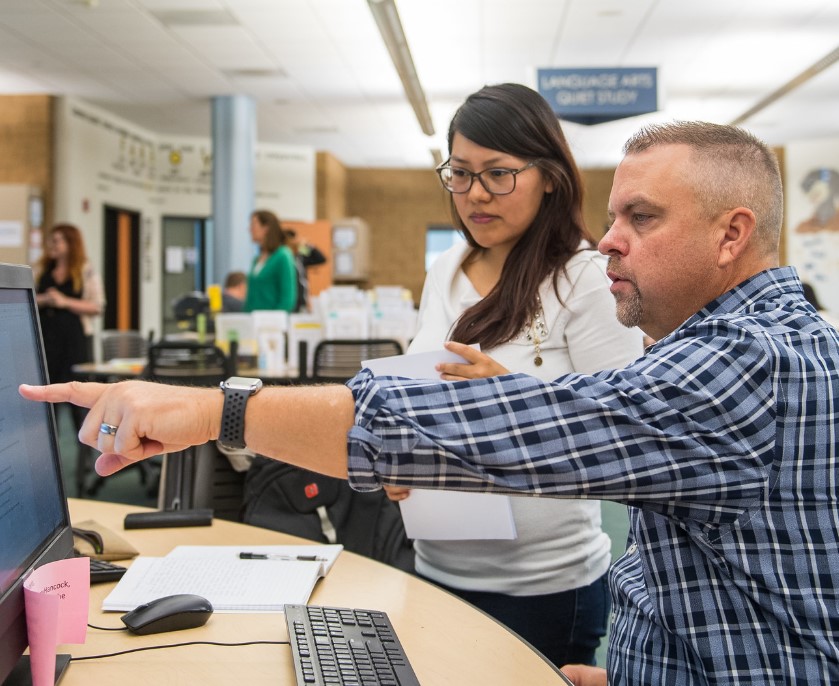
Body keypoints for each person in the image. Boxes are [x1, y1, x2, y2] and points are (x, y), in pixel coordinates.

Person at [21, 121, 839, 685]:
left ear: (731, 235)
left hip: (549, 578)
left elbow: (514, 430)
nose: (609, 239)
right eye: (614, 213)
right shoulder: (747, 346)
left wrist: (213, 412)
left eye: (642, 218)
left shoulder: (746, 365)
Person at [383, 83, 643, 667]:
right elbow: (422, 394)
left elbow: (626, 438)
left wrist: (514, 399)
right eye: (461, 173)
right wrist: (398, 458)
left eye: (499, 173)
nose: (475, 194)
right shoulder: (443, 270)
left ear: (548, 175)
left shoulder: (585, 279)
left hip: (546, 586)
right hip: (436, 567)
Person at [35, 223, 104, 385]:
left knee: (76, 387)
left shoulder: (85, 270)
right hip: (46, 337)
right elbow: (29, 299)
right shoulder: (41, 268)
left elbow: (97, 306)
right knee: (47, 385)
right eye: (51, 240)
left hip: (74, 339)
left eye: (57, 241)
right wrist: (46, 299)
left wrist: (65, 302)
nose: (52, 245)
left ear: (70, 243)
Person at [243, 210, 297, 312]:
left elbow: (287, 299)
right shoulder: (256, 260)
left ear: (266, 228)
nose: (250, 229)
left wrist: (274, 322)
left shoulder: (283, 256)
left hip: (270, 323)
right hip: (253, 320)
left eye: (253, 224)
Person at [284, 228, 326, 312]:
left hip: (303, 301)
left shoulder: (301, 254)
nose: (295, 241)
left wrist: (308, 245)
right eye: (292, 239)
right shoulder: (284, 258)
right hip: (291, 302)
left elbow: (321, 259)